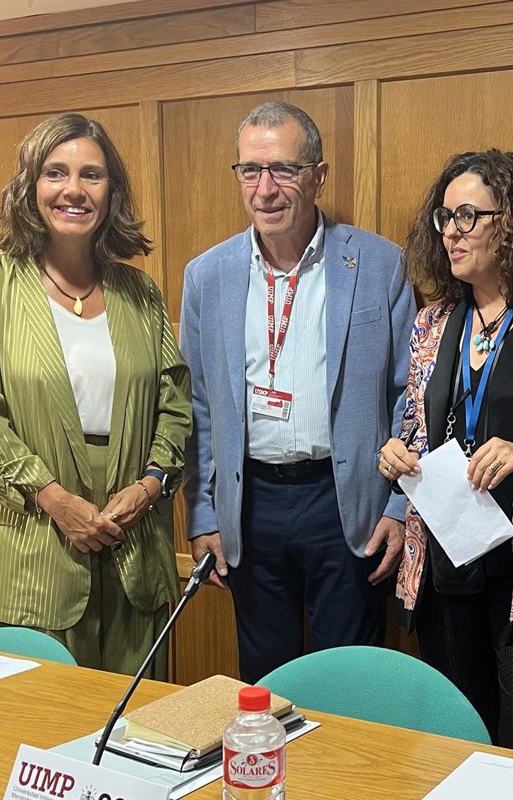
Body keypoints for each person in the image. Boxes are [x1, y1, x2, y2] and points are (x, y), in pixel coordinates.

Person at [180, 102, 416, 683]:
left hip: (347, 503)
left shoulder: (379, 264)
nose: (265, 189)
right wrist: (203, 512)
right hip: (250, 504)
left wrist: (399, 507)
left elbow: (411, 394)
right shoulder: (206, 276)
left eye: (283, 169)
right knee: (264, 682)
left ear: (318, 176)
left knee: (348, 678)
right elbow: (198, 405)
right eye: (250, 171)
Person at [0, 112, 191, 678]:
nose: (74, 190)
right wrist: (56, 501)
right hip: (33, 541)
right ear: (30, 187)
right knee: (42, 720)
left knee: (137, 716)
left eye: (92, 175)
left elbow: (175, 404)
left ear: (112, 192)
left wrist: (150, 485)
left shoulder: (139, 291)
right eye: (55, 173)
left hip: (133, 537)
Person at [378, 150, 513, 757]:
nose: (451, 231)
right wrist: (394, 456)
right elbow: (416, 429)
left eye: (468, 216)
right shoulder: (433, 322)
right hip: (446, 565)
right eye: (444, 217)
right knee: (457, 747)